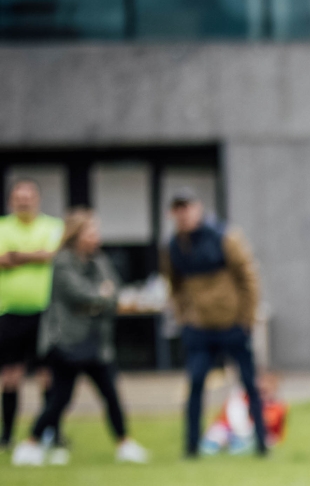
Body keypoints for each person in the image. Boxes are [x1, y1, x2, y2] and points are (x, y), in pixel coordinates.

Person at [16, 208, 147, 465]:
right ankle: (30, 443)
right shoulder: (63, 262)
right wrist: (101, 296)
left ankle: (124, 443)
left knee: (110, 394)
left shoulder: (99, 260)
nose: (96, 236)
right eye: (90, 231)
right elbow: (79, 295)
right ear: (77, 234)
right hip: (68, 342)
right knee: (60, 398)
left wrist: (101, 297)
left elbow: (114, 291)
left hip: (96, 342)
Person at [161, 189, 267, 459]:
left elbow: (248, 277)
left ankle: (262, 443)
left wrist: (247, 318)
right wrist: (184, 316)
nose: (184, 214)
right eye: (178, 209)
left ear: (198, 208)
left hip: (232, 324)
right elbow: (173, 284)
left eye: (187, 207)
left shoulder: (225, 237)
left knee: (249, 383)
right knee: (195, 384)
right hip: (199, 327)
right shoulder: (174, 245)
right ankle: (191, 447)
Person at [1, 178, 65, 456]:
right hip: (9, 313)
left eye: (28, 198)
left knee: (47, 375)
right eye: (19, 198)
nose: (24, 203)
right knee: (10, 375)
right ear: (11, 201)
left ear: (37, 200)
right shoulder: (2, 227)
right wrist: (35, 255)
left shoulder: (53, 227)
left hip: (45, 313)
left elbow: (52, 255)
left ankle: (51, 433)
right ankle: (7, 435)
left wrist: (16, 256)